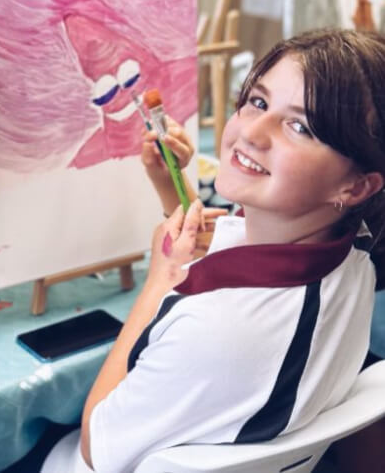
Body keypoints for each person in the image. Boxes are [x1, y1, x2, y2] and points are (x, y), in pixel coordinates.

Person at [42, 28, 385, 472]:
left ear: (356, 185)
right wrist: (173, 190)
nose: (252, 133)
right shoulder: (356, 252)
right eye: (259, 102)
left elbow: (96, 446)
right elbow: (224, 249)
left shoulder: (219, 332)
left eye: (299, 126)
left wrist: (158, 283)